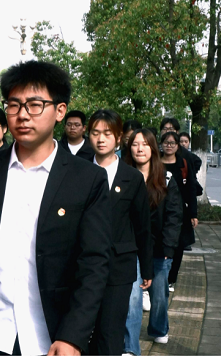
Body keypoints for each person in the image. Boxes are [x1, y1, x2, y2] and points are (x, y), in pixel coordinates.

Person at [0, 61, 111, 356]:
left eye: (35, 105)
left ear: (60, 111)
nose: (22, 115)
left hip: (51, 337)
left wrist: (73, 336)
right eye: (14, 105)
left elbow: (94, 265)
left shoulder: (87, 179)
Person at [85, 110, 153, 356]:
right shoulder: (78, 171)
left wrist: (147, 268)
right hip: (83, 265)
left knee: (111, 331)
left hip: (119, 265)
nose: (101, 139)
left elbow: (142, 226)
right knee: (84, 329)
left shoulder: (131, 177)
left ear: (118, 137)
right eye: (95, 133)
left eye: (107, 133)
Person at [123, 129, 183, 350]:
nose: (140, 149)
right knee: (133, 297)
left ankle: (159, 328)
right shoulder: (123, 176)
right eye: (135, 144)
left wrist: (168, 247)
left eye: (145, 144)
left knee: (159, 294)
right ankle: (130, 346)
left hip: (159, 247)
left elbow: (174, 215)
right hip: (131, 247)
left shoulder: (166, 178)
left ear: (153, 148)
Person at [159, 131, 198, 292]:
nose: (169, 146)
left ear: (177, 146)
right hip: (159, 209)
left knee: (179, 245)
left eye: (172, 143)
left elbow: (191, 189)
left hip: (180, 211)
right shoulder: (155, 163)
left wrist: (194, 214)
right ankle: (160, 275)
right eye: (166, 143)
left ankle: (171, 279)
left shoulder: (183, 164)